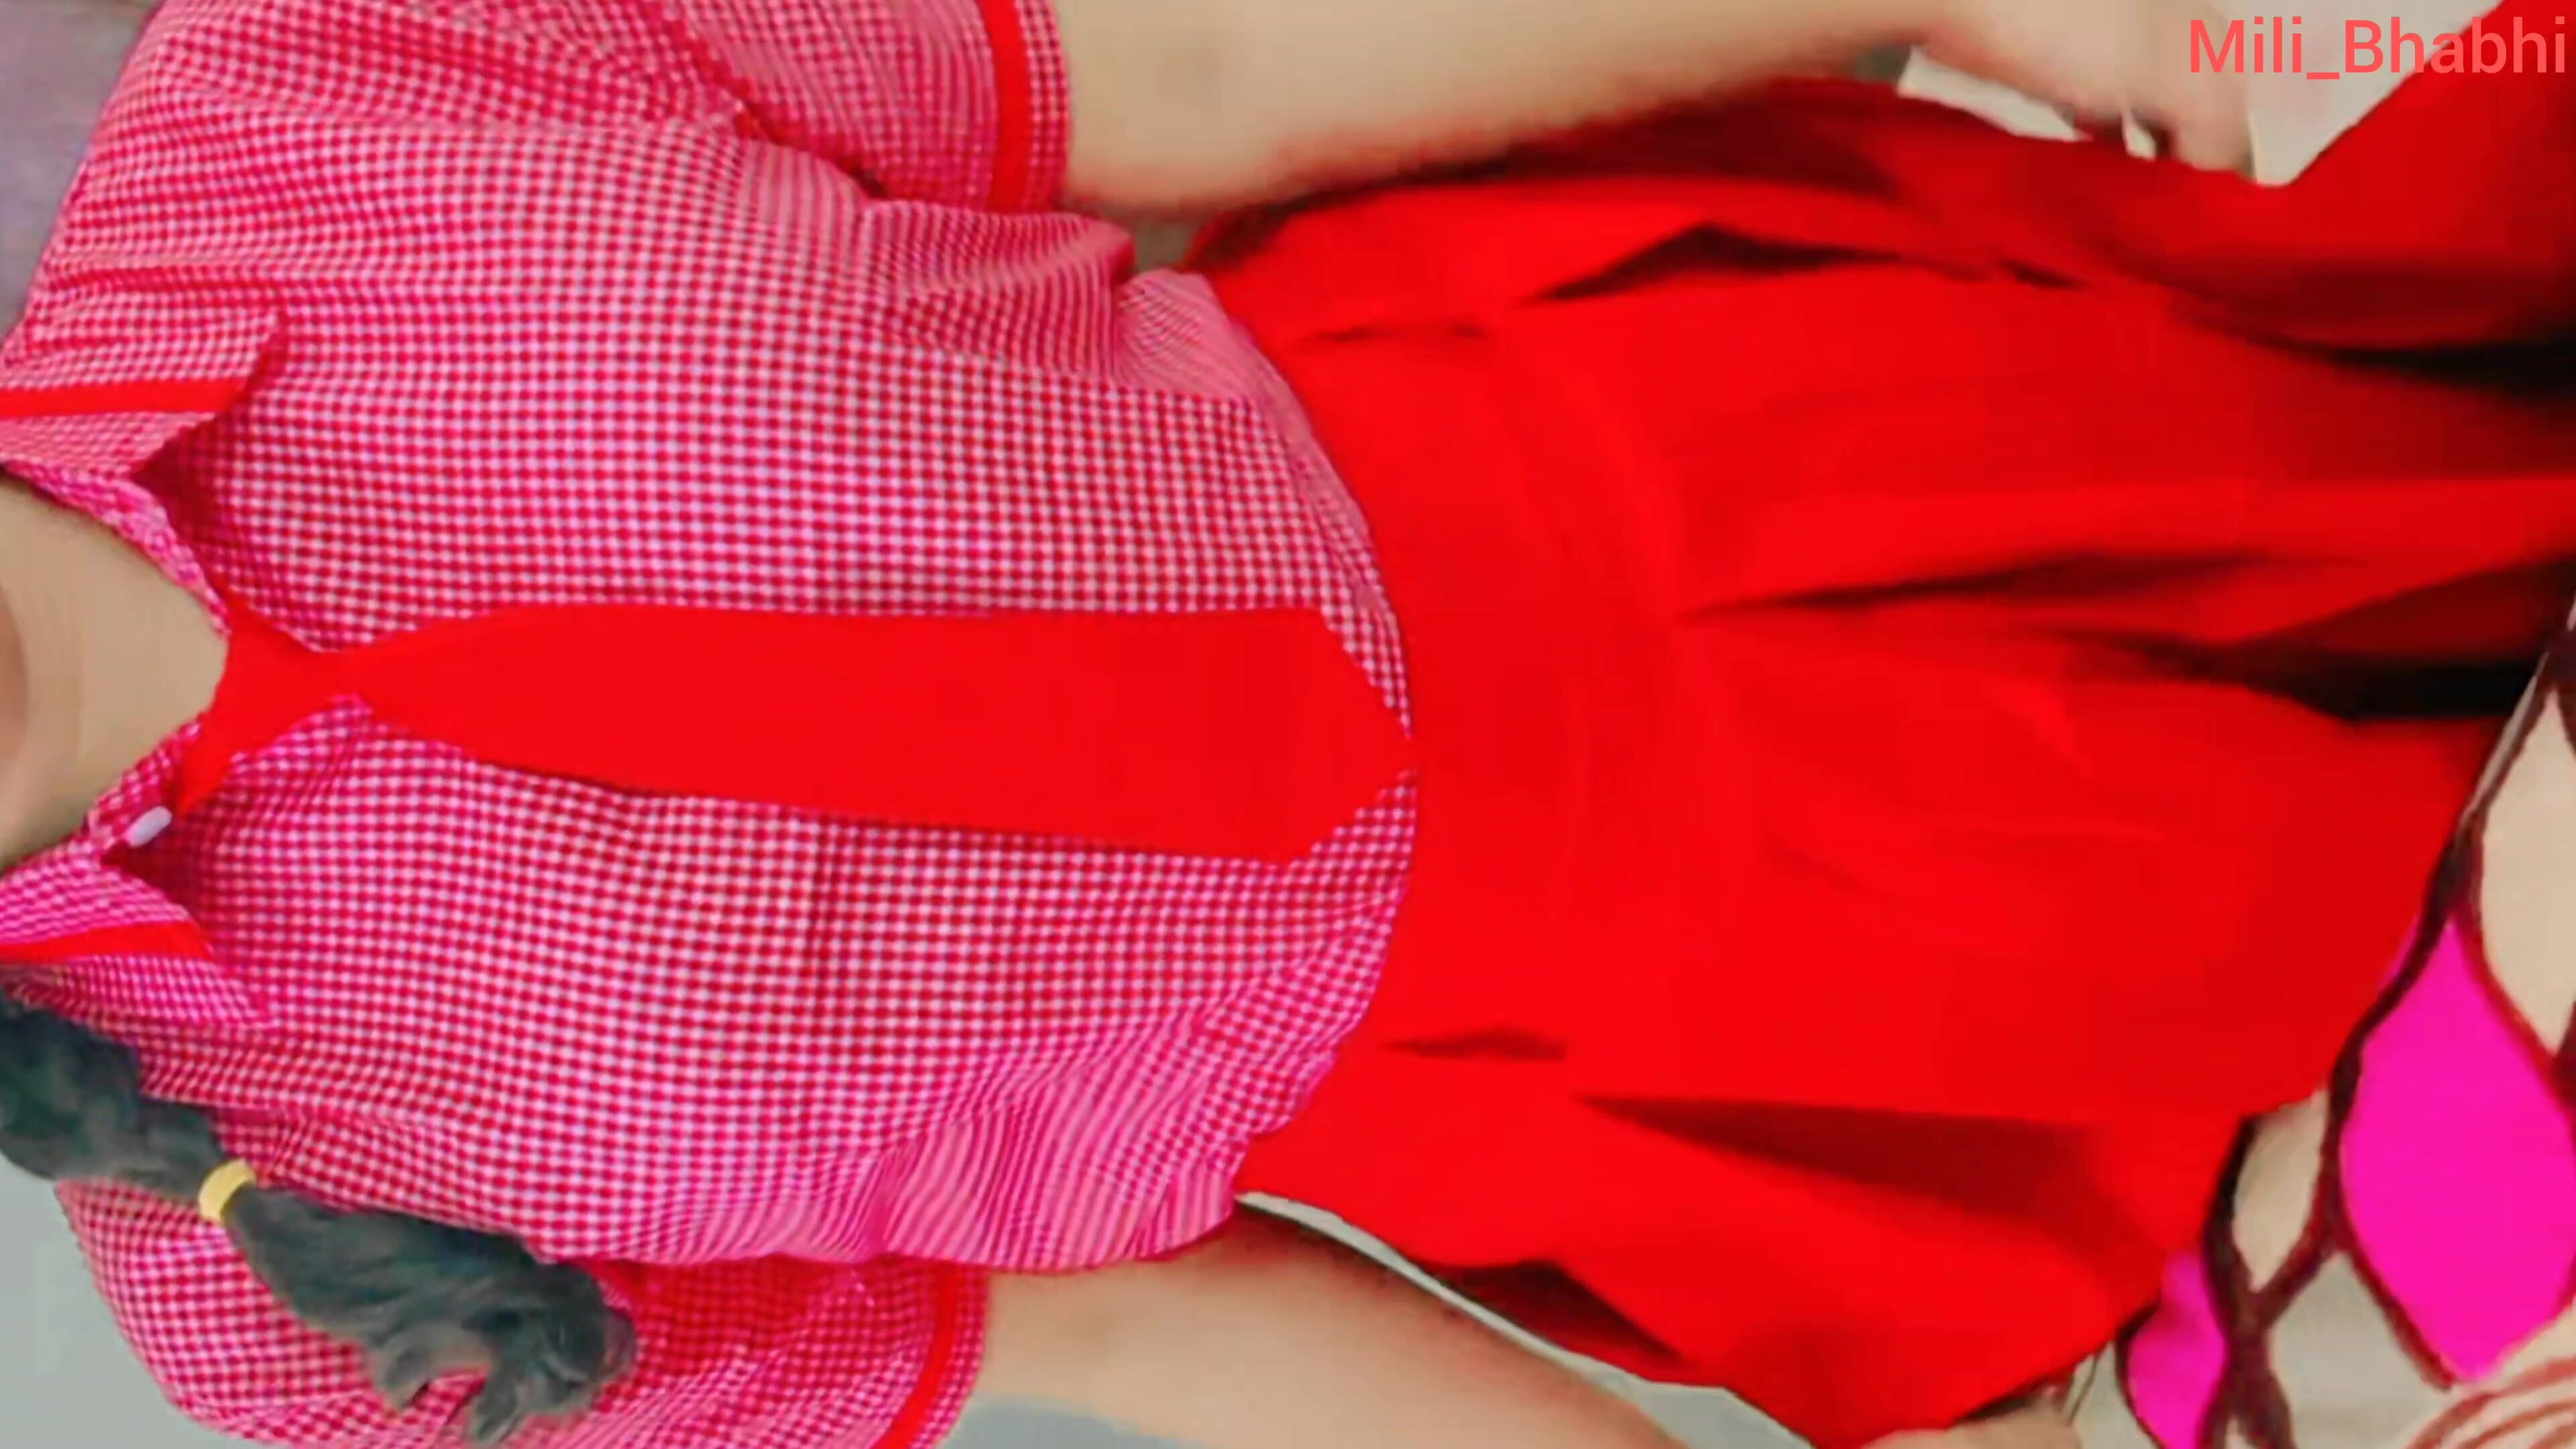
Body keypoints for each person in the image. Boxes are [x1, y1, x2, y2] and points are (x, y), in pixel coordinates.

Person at [2, 1, 2571, 1448]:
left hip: (1775, 425)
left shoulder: (293, 107)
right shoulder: (287, 1300)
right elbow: (1140, 1324)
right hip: (1772, 1057)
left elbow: (1205, 66)